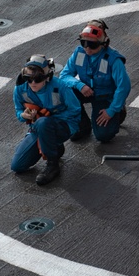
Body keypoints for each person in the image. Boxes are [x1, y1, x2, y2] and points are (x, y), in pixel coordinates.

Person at [11, 55, 81, 186]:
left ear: (47, 77)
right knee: (17, 166)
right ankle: (54, 146)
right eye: (28, 79)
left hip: (63, 124)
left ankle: (52, 165)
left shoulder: (60, 86)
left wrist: (50, 116)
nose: (32, 83)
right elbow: (18, 110)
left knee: (44, 123)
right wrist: (23, 116)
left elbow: (75, 110)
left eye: (37, 79)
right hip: (38, 127)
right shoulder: (20, 89)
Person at [60, 19, 131, 143]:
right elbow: (64, 75)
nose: (87, 48)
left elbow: (124, 86)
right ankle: (82, 126)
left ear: (103, 43)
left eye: (92, 45)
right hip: (87, 91)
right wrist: (79, 85)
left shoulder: (113, 59)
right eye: (84, 43)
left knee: (103, 136)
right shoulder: (79, 53)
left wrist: (111, 110)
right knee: (63, 91)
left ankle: (119, 110)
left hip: (105, 96)